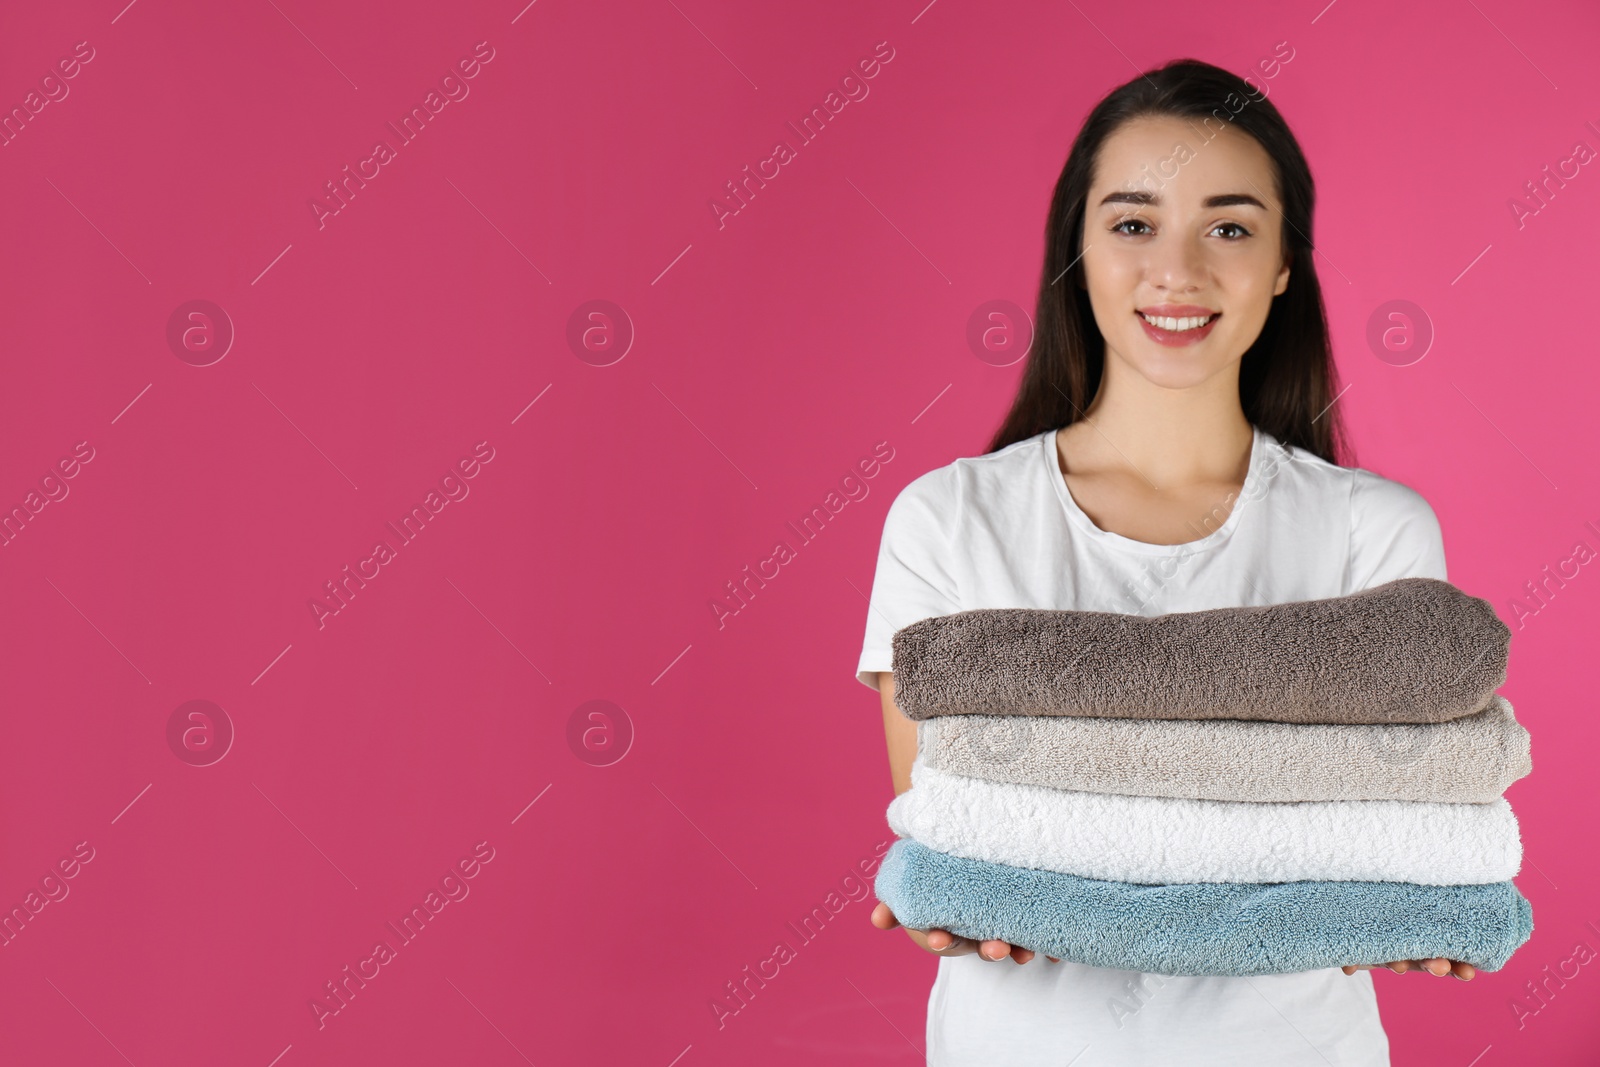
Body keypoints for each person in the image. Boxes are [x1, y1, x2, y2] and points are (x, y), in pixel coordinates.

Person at [855, 58, 1472, 1066]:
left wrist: (1394, 888)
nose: (1177, 270)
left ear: (1283, 263)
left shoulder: (1374, 531)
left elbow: (1384, 820)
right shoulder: (948, 517)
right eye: (1133, 223)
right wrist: (950, 888)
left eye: (1228, 227)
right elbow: (953, 818)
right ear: (1078, 251)